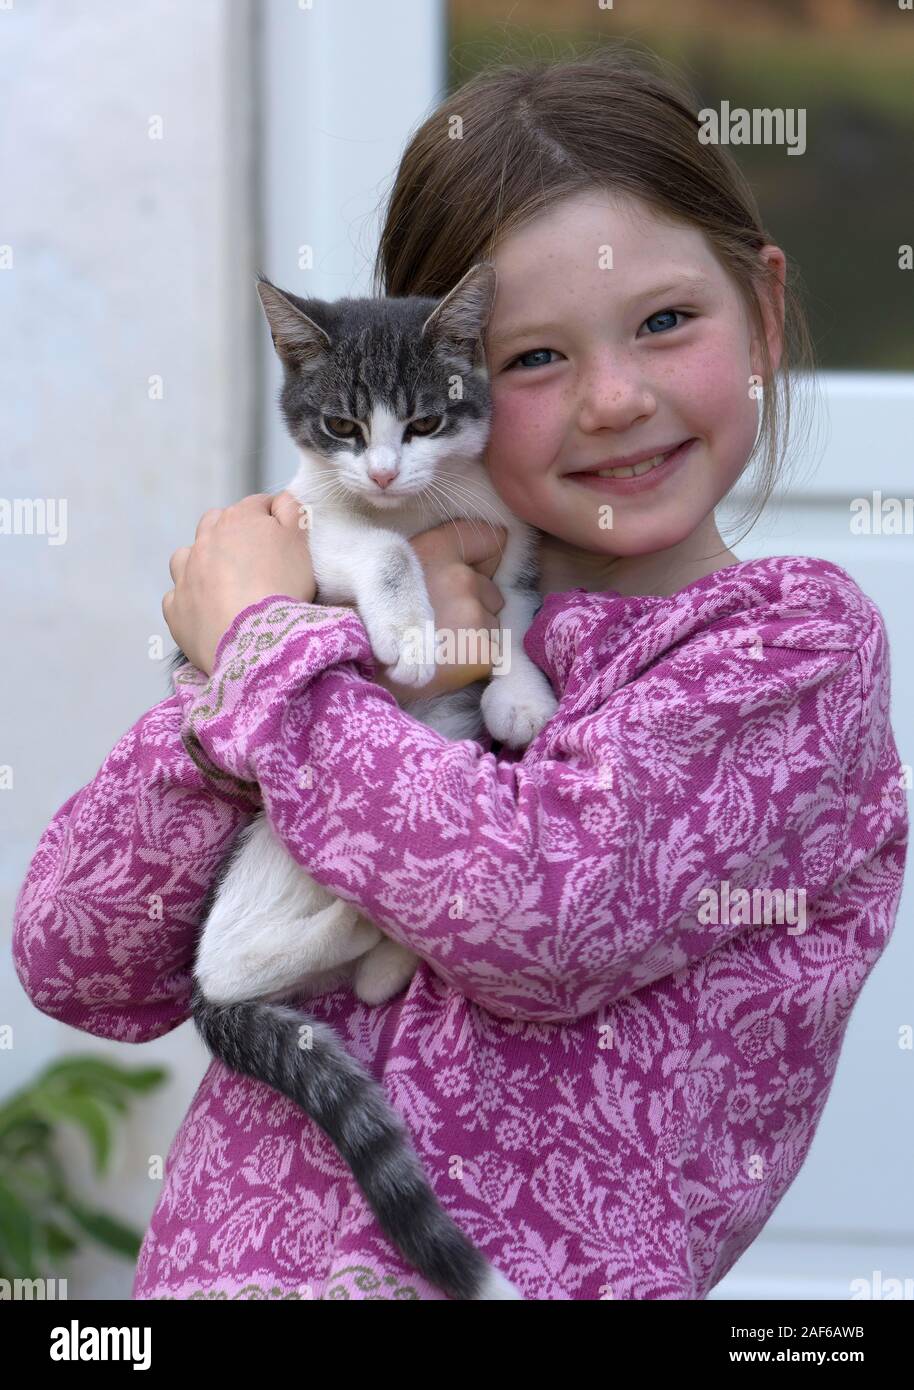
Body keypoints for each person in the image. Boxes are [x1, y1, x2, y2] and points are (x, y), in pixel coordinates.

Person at [12, 45, 908, 1301]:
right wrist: (245, 695)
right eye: (533, 358)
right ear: (444, 375)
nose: (611, 396)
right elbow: (74, 957)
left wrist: (264, 658)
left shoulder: (789, 654)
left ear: (759, 315)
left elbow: (539, 911)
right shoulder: (348, 634)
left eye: (663, 322)